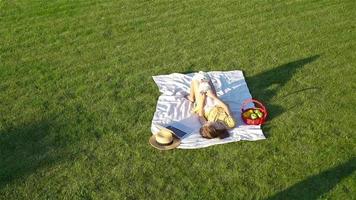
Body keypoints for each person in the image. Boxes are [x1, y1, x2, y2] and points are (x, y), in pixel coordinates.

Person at [186, 71, 236, 139]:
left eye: (208, 123)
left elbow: (200, 114)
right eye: (211, 123)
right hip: (217, 104)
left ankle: (191, 97)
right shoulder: (230, 124)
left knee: (196, 81)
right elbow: (225, 107)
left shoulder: (207, 125)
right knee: (207, 82)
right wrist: (213, 96)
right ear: (217, 129)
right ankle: (203, 80)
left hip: (205, 107)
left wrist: (203, 100)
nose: (209, 122)